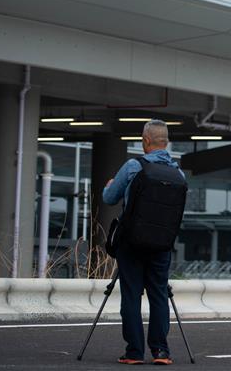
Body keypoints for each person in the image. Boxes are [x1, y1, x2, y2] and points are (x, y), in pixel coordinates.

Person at [102, 120, 184, 366]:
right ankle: (161, 351)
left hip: (132, 243)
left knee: (131, 295)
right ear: (166, 142)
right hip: (162, 245)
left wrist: (110, 186)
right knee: (159, 295)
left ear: (146, 140)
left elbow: (110, 198)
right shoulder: (178, 174)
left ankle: (134, 352)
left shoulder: (133, 166)